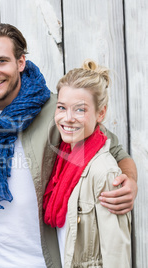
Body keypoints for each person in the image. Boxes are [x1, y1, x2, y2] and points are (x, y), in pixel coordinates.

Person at [0, 22, 137, 267]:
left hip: (44, 260)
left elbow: (116, 152)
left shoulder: (58, 112)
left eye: (1, 61)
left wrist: (129, 181)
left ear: (21, 62)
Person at [43, 59, 131, 267]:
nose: (68, 118)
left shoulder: (104, 172)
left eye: (80, 110)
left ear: (101, 113)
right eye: (62, 107)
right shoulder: (62, 160)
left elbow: (116, 256)